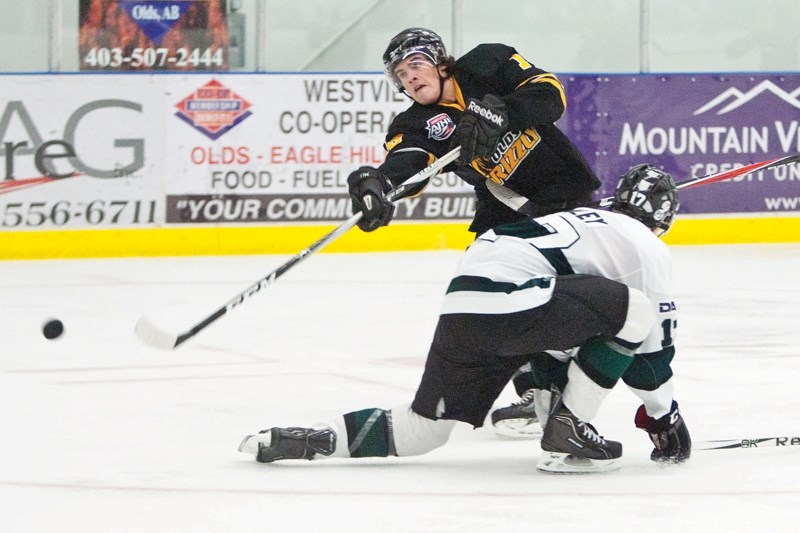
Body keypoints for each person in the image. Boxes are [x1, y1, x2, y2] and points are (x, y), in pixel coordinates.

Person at [239, 164, 691, 473]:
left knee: (423, 431)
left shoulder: (582, 221)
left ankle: (309, 438)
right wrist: (664, 418)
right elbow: (651, 360)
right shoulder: (646, 247)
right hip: (512, 302)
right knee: (635, 310)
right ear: (663, 221)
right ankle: (569, 425)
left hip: (467, 305)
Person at [346, 27, 600, 236]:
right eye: (401, 74)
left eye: (416, 64)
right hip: (507, 215)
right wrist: (380, 182)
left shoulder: (487, 63)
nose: (409, 77)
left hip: (570, 195)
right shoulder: (412, 124)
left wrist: (503, 113)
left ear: (441, 63)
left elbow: (550, 95)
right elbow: (410, 158)